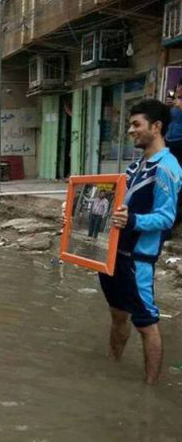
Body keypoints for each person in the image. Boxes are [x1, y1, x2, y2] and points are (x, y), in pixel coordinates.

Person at [103, 99, 182, 385]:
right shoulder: (136, 165)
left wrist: (134, 221)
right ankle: (112, 368)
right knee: (117, 314)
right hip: (114, 255)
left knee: (146, 324)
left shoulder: (167, 168)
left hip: (138, 261)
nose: (130, 130)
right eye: (130, 124)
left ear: (157, 127)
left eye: (136, 124)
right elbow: (113, 203)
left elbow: (166, 218)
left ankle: (149, 393)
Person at [166, 80, 182, 165]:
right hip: (169, 139)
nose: (178, 89)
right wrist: (168, 106)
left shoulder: (179, 103)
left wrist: (180, 106)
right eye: (178, 86)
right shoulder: (176, 101)